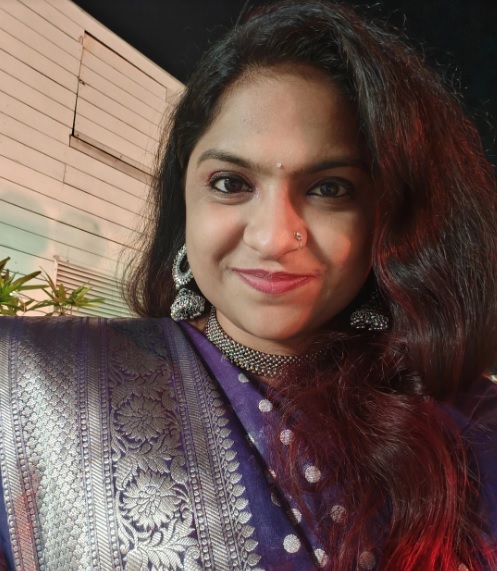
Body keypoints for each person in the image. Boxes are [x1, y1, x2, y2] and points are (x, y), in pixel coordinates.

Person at [0, 1, 496, 569]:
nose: (273, 238)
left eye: (330, 188)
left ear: (389, 216)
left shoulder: (473, 429)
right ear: (184, 197)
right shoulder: (29, 386)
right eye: (231, 182)